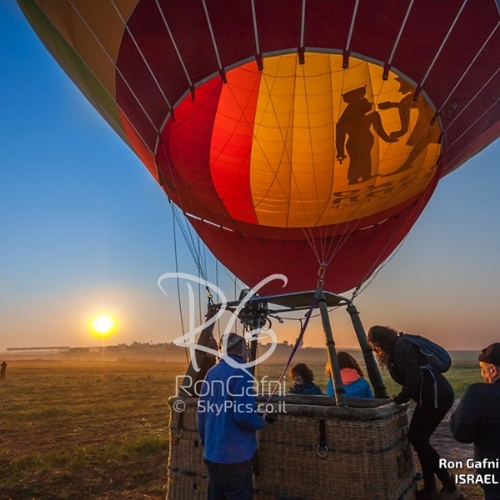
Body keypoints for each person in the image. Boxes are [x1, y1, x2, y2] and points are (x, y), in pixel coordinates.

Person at [367, 325, 462, 500]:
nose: (376, 351)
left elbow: (413, 378)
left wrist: (399, 399)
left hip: (435, 396)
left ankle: (449, 486)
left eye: (375, 347)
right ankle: (430, 487)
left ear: (379, 342)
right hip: (434, 395)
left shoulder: (401, 349)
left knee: (418, 438)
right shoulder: (401, 345)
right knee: (420, 439)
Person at [197, 333, 265, 500]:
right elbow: (243, 415)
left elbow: (201, 412)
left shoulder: (212, 372)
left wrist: (207, 443)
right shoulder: (242, 372)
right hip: (235, 457)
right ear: (243, 350)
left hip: (212, 454)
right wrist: (260, 421)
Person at [450, 343, 500, 500]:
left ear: (493, 370)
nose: (482, 374)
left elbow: (461, 433)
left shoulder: (481, 393)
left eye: (483, 369)